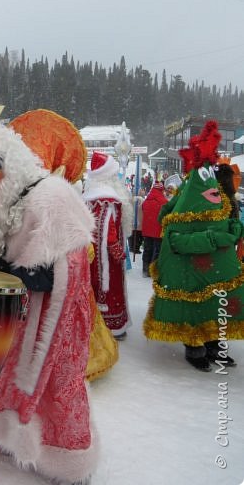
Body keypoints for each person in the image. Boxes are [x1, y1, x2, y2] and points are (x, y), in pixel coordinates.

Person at [0, 121, 96, 485]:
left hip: (52, 321)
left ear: (12, 159)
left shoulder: (52, 196)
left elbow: (69, 272)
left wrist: (9, 270)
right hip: (13, 317)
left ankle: (65, 459)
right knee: (2, 377)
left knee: (57, 385)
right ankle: (4, 436)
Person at [143, 121, 244, 372]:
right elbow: (177, 240)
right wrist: (215, 238)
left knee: (214, 305)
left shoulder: (222, 201)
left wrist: (232, 232)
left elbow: (234, 227)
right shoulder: (184, 206)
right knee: (193, 307)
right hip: (189, 274)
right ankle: (194, 345)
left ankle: (214, 345)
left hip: (215, 271)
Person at [83, 152, 133, 340]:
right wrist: (117, 251)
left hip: (90, 252)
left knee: (92, 286)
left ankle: (92, 322)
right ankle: (110, 326)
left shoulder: (89, 197)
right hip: (106, 259)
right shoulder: (108, 199)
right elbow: (107, 231)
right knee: (109, 289)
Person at [141, 182, 167, 277]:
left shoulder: (146, 200)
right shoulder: (163, 201)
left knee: (147, 249)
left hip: (147, 230)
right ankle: (153, 270)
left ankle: (145, 269)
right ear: (161, 190)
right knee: (157, 250)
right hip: (157, 230)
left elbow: (143, 209)